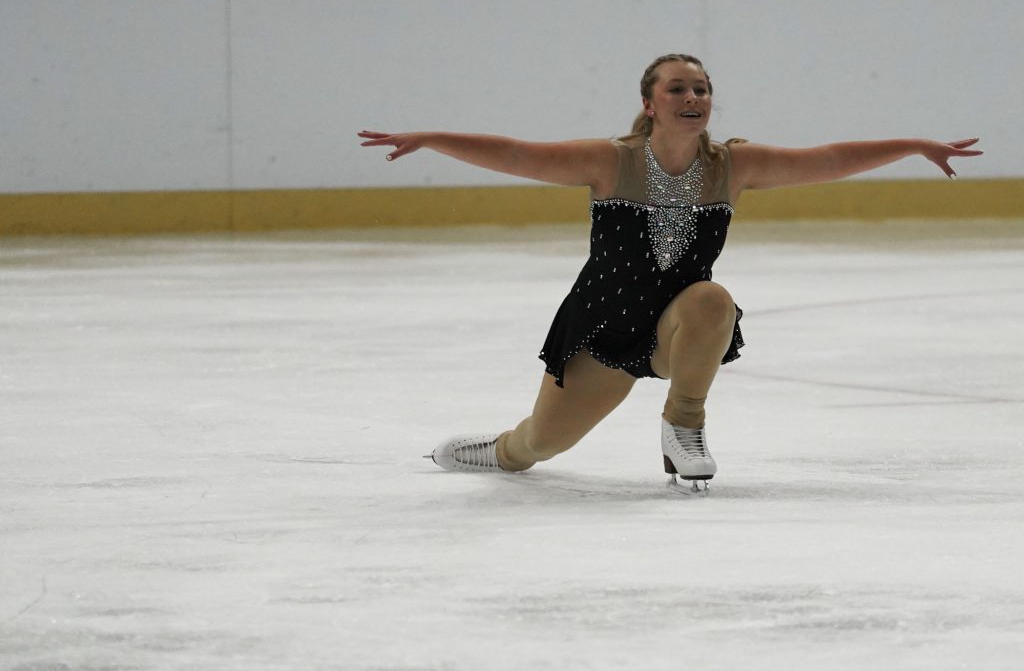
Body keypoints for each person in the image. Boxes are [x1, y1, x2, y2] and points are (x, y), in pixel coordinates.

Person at [358, 53, 982, 492]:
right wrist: (436, 138)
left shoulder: (733, 165)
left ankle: (684, 427)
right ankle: (496, 451)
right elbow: (520, 154)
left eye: (702, 88)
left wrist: (912, 146)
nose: (693, 98)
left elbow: (825, 159)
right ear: (649, 103)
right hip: (603, 326)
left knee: (712, 299)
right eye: (678, 88)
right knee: (538, 448)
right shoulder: (611, 162)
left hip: (672, 328)